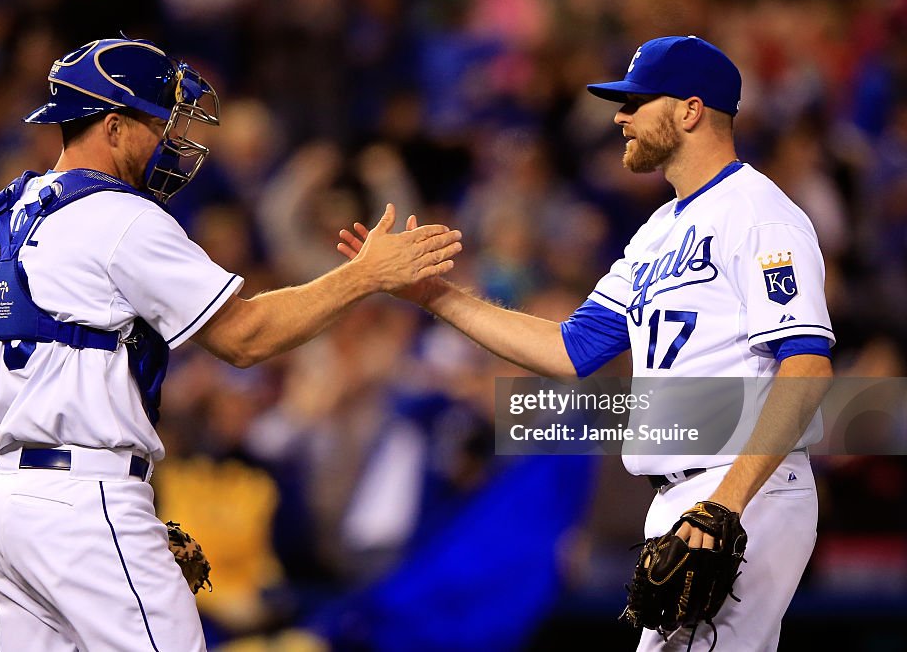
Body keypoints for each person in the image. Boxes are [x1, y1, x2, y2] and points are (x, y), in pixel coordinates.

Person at [0, 36, 461, 652]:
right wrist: (364, 275)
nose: (169, 138)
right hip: (83, 507)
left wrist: (47, 479)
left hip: (5, 509)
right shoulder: (120, 216)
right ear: (113, 126)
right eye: (157, 120)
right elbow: (245, 337)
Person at [338, 35, 834, 651]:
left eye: (637, 101)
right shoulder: (658, 230)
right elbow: (572, 349)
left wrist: (724, 506)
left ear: (690, 110)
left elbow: (808, 366)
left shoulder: (760, 214)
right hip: (684, 495)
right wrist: (437, 298)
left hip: (741, 489)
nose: (620, 117)